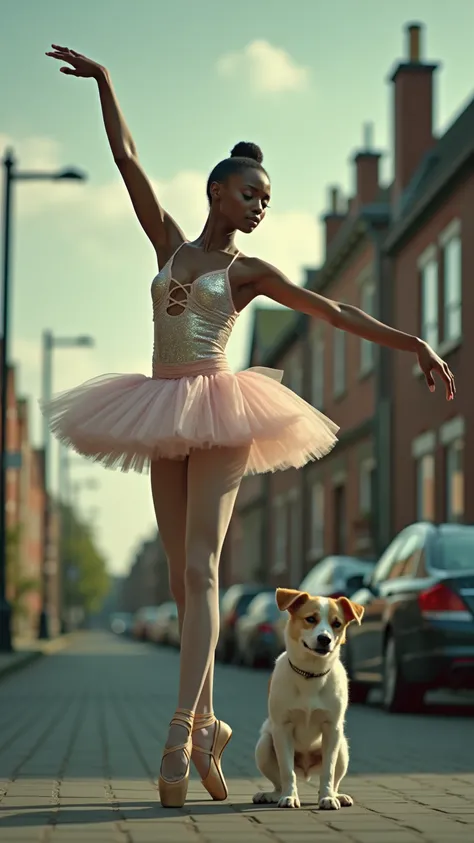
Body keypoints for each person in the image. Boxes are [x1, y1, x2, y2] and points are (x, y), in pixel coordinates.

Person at [44, 45, 456, 809]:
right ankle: (211, 725)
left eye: (267, 197)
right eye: (250, 193)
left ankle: (178, 731)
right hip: (159, 405)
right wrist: (106, 83)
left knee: (201, 570)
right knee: (177, 574)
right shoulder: (171, 244)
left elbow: (333, 312)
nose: (261, 204)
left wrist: (414, 342)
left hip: (221, 407)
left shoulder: (248, 273)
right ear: (217, 192)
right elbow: (129, 161)